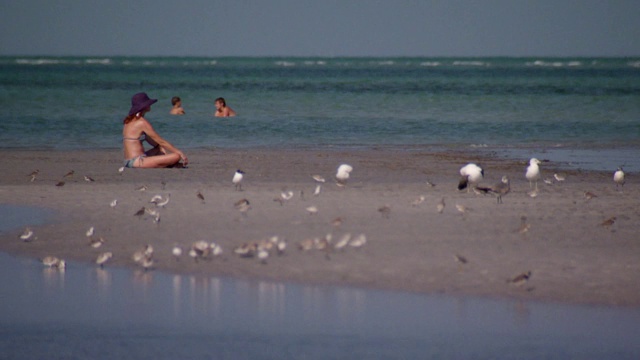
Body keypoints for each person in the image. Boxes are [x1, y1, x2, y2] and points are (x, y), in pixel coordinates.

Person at [122, 92, 188, 168]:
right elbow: (161, 141)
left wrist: (159, 147)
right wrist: (180, 153)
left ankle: (167, 164)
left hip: (128, 161)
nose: (150, 105)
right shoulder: (141, 122)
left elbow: (156, 143)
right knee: (176, 156)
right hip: (137, 161)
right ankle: (168, 164)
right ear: (144, 106)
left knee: (159, 149)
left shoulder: (128, 121)